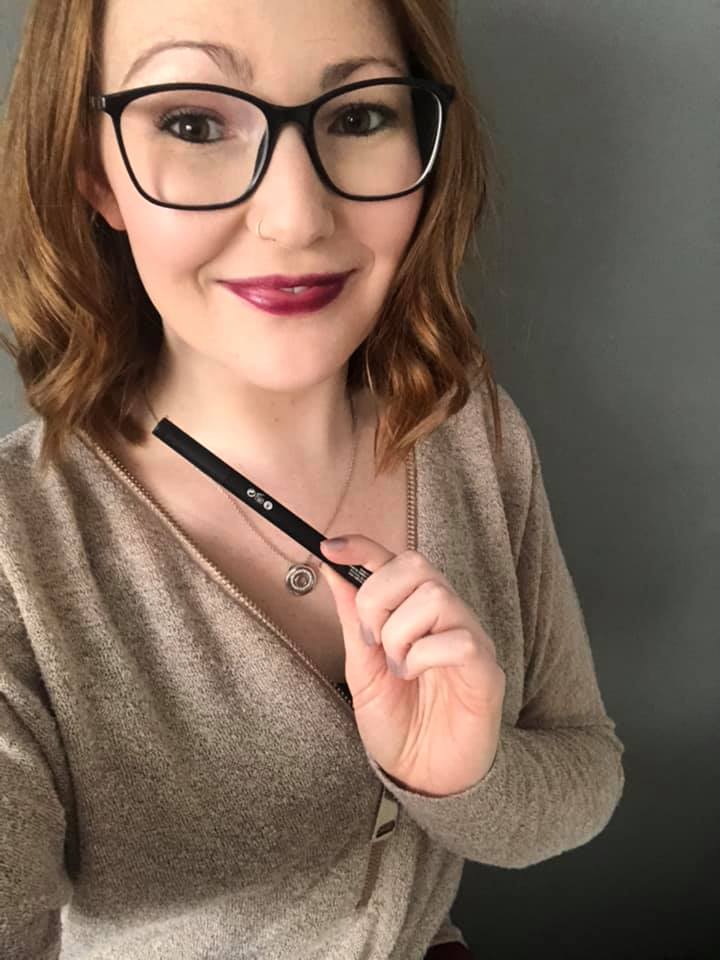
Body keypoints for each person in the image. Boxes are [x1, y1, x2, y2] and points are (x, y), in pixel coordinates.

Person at [0, 0, 625, 957]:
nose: (295, 219)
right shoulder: (19, 543)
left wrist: (468, 779)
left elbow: (585, 768)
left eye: (360, 116)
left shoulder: (473, 433)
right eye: (193, 123)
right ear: (95, 172)